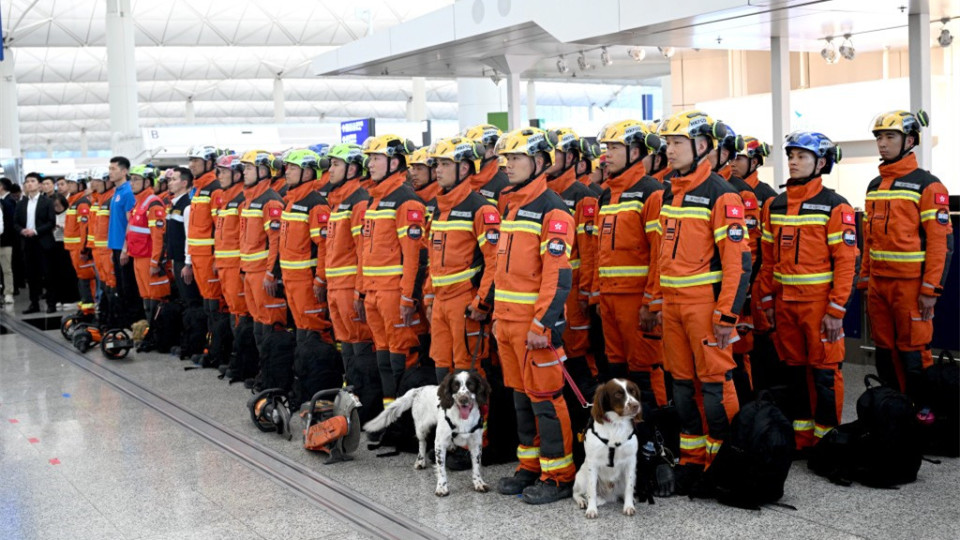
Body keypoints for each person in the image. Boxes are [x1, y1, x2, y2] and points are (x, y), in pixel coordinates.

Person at [649, 111, 751, 492]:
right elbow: (661, 256)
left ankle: (724, 460)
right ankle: (692, 460)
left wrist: (727, 315)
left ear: (702, 146)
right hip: (673, 304)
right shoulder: (666, 192)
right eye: (667, 143)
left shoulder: (722, 194)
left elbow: (737, 262)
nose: (669, 150)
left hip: (705, 305)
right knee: (680, 385)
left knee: (714, 384)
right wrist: (658, 301)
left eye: (677, 143)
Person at [758, 131, 859, 452]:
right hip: (785, 305)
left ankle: (829, 440)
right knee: (795, 373)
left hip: (820, 308)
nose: (793, 162)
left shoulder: (835, 206)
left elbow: (846, 264)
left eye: (801, 156)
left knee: (825, 374)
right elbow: (768, 261)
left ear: (821, 162)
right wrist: (767, 300)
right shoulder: (775, 205)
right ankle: (803, 439)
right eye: (791, 156)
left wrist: (836, 310)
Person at [492, 127, 576, 505]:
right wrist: (497, 315)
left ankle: (559, 475)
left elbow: (557, 276)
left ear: (540, 162)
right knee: (522, 399)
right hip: (507, 323)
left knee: (546, 398)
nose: (508, 165)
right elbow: (502, 269)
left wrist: (543, 323)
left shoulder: (553, 209)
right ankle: (529, 466)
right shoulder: (509, 205)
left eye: (517, 158)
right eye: (506, 158)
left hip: (534, 326)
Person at [860, 110, 953, 420]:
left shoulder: (929, 185)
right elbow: (868, 239)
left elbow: (941, 243)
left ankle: (923, 415)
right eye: (879, 138)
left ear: (910, 141)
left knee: (914, 352)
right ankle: (893, 413)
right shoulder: (874, 185)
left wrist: (931, 290)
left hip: (912, 287)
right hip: (878, 287)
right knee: (885, 352)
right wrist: (864, 280)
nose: (882, 144)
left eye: (890, 137)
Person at [596, 120, 668, 407]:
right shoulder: (606, 194)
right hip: (610, 300)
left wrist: (651, 302)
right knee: (617, 372)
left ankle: (656, 438)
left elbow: (659, 253)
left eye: (614, 148)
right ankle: (627, 438)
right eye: (606, 148)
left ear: (636, 152)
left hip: (638, 301)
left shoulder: (652, 192)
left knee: (646, 372)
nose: (607, 155)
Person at [422, 136, 499, 381]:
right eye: (437, 165)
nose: (438, 170)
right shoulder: (438, 207)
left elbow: (494, 262)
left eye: (444, 164)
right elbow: (432, 258)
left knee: (469, 372)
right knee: (442, 370)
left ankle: (479, 421)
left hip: (465, 303)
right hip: (441, 302)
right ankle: (447, 420)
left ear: (464, 168)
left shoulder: (481, 209)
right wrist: (429, 293)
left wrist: (482, 303)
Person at [360, 135, 428, 408]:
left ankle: (406, 424)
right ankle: (391, 420)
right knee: (384, 359)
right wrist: (363, 288)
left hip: (394, 293)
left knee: (402, 358)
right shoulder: (374, 201)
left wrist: (407, 297)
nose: (371, 164)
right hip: (374, 292)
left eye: (376, 158)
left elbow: (415, 257)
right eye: (370, 158)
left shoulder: (406, 201)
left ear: (395, 162)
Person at [322, 143, 378, 417]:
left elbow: (362, 251)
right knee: (346, 347)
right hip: (336, 286)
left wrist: (359, 290)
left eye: (336, 164)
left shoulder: (359, 201)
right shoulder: (339, 201)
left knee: (360, 347)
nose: (330, 170)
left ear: (352, 168)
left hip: (349, 287)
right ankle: (353, 403)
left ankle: (366, 407)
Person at [543, 128, 599, 397]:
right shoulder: (541, 195)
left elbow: (589, 252)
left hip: (575, 292)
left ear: (572, 158)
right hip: (550, 292)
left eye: (555, 153)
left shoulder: (582, 195)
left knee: (578, 356)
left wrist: (587, 293)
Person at [731, 136, 781, 392]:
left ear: (755, 161)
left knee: (758, 346)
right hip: (744, 282)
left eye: (740, 158)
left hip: (758, 282)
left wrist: (754, 285)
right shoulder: (728, 188)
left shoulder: (767, 196)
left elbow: (761, 246)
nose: (734, 163)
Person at [238, 150, 287, 355]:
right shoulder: (250, 199)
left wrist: (270, 273)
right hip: (250, 271)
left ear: (263, 170)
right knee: (257, 321)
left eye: (249, 168)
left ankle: (271, 374)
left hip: (262, 273)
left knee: (269, 322)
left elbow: (276, 241)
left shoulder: (271, 201)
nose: (244, 173)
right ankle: (264, 371)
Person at [184, 145, 228, 360]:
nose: (192, 164)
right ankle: (211, 348)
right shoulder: (198, 188)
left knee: (215, 304)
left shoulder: (214, 188)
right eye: (191, 160)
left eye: (197, 160)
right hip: (199, 254)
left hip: (209, 255)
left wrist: (217, 256)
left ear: (209, 163)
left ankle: (218, 352)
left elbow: (219, 226)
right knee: (207, 303)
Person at [126, 165, 170, 323]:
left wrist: (155, 261)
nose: (132, 183)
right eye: (131, 179)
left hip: (148, 257)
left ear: (147, 182)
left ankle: (156, 332)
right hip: (138, 256)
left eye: (136, 179)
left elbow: (159, 237)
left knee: (155, 297)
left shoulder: (153, 204)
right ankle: (150, 331)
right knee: (145, 296)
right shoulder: (139, 203)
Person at [107, 156, 144, 327]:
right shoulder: (117, 192)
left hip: (125, 249)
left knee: (129, 289)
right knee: (121, 288)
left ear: (124, 171)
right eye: (109, 168)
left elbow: (132, 221)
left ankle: (134, 323)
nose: (110, 172)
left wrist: (125, 248)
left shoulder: (128, 192)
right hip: (115, 246)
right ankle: (124, 323)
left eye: (114, 169)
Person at [14, 172, 58, 314]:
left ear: (39, 185)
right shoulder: (21, 203)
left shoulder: (47, 202)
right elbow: (15, 222)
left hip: (43, 241)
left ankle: (51, 303)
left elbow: (51, 222)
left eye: (32, 181)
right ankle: (34, 304)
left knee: (48, 274)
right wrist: (22, 230)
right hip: (27, 242)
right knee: (31, 275)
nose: (29, 184)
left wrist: (36, 231)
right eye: (27, 182)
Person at [61, 172, 97, 315]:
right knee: (81, 276)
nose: (69, 186)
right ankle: (85, 302)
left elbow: (85, 228)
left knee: (86, 276)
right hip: (73, 247)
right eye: (68, 183)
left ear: (80, 184)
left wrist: (84, 249)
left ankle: (89, 305)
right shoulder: (73, 202)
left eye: (71, 183)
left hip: (79, 248)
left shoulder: (82, 203)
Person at [165, 167, 200, 306]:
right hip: (176, 259)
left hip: (184, 261)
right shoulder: (174, 204)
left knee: (191, 298)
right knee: (183, 297)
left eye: (174, 179)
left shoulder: (187, 205)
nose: (170, 183)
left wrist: (188, 264)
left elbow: (189, 236)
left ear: (184, 183)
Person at [463, 124, 511, 205]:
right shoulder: (461, 178)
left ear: (493, 152)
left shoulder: (504, 185)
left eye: (478, 149)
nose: (471, 154)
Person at [0, 177, 17, 304]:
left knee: (7, 268)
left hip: (5, 241)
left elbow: (10, 223)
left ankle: (9, 292)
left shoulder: (7, 203)